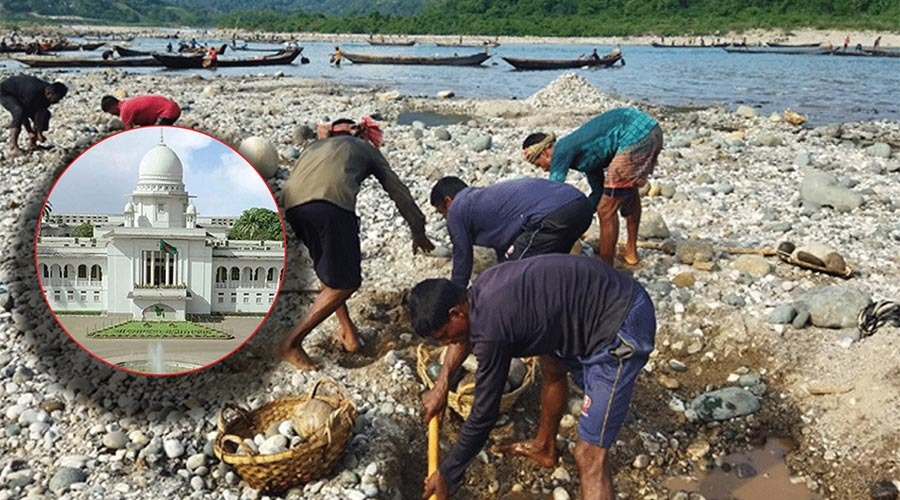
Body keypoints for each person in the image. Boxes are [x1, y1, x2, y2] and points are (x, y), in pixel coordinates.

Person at [408, 254, 656, 500]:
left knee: (589, 454)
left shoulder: (492, 329)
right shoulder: (478, 292)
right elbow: (462, 337)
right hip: (583, 309)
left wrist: (448, 474)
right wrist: (442, 384)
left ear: (456, 313)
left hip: (621, 322)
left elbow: (484, 414)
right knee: (552, 366)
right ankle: (545, 447)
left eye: (445, 335)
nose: (447, 343)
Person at [421, 176, 594, 422]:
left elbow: (462, 261)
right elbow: (509, 251)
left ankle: (576, 367)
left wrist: (455, 302)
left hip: (553, 215)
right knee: (540, 283)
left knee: (512, 285)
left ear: (448, 202)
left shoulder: (459, 209)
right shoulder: (485, 202)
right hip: (578, 205)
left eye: (442, 213)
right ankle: (560, 339)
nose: (446, 218)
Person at [278, 118, 434, 370]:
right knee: (347, 283)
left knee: (328, 274)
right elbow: (398, 191)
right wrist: (418, 230)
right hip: (331, 208)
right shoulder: (364, 148)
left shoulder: (314, 148)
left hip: (293, 209)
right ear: (362, 135)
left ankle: (349, 334)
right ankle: (290, 343)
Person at [522, 108, 663, 267]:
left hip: (635, 135)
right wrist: (580, 218)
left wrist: (539, 223)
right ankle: (631, 251)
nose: (542, 169)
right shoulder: (586, 157)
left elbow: (554, 191)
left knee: (606, 210)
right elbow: (598, 191)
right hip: (651, 129)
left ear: (545, 152)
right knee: (627, 192)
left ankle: (605, 270)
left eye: (537, 164)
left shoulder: (561, 149)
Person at [1, 75, 67, 156]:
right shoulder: (33, 93)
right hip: (6, 92)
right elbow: (23, 114)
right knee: (18, 111)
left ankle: (33, 144)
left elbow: (40, 113)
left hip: (23, 93)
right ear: (50, 94)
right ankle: (13, 147)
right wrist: (29, 131)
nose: (58, 101)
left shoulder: (47, 96)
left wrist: (39, 132)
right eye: (58, 98)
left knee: (46, 114)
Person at [100, 95, 181, 128]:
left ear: (112, 108)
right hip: (174, 108)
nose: (113, 115)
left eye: (110, 112)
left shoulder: (124, 111)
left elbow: (129, 133)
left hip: (169, 112)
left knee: (157, 134)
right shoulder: (127, 103)